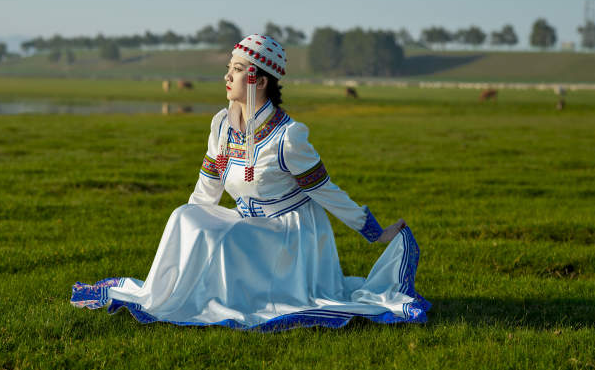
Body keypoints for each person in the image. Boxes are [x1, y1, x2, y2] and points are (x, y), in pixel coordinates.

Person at [71, 34, 430, 331]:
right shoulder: (222, 126)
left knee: (226, 239)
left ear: (260, 79)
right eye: (228, 69)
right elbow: (206, 189)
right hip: (249, 221)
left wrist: (374, 231)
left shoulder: (288, 137)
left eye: (238, 70)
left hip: (290, 235)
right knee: (184, 216)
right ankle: (168, 295)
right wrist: (193, 226)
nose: (227, 77)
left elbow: (326, 192)